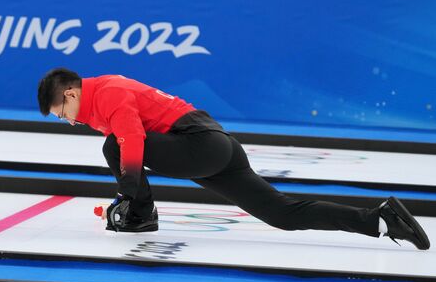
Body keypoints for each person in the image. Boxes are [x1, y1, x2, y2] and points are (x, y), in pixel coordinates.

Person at [37, 67, 430, 250]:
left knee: (115, 146)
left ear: (70, 94)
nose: (67, 121)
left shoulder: (107, 92)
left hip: (200, 144)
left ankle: (141, 215)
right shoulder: (99, 100)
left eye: (61, 113)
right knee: (282, 213)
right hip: (216, 144)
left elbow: (133, 140)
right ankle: (380, 220)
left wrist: (126, 195)